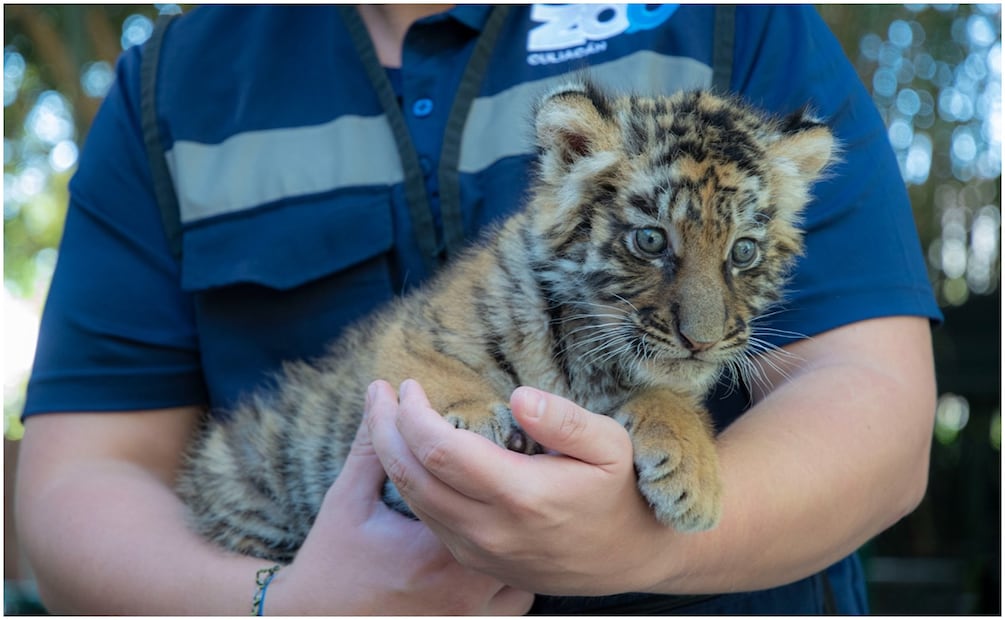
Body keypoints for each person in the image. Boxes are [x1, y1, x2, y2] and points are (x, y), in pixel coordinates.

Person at [15, 4, 941, 615]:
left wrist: (648, 551)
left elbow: (873, 401)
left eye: (736, 260)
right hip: (276, 517)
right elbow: (77, 482)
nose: (703, 321)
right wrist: (282, 606)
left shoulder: (738, 18)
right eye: (654, 247)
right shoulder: (170, 85)